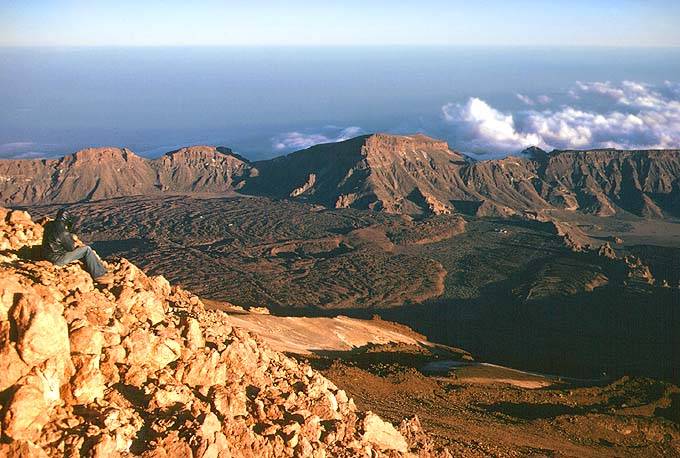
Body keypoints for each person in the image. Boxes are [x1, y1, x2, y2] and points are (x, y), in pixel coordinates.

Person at [42, 208, 113, 283]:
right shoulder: (63, 231)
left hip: (47, 255)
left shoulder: (49, 225)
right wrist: (71, 238)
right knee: (87, 250)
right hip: (58, 259)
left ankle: (97, 269)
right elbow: (71, 248)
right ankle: (99, 275)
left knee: (81, 252)